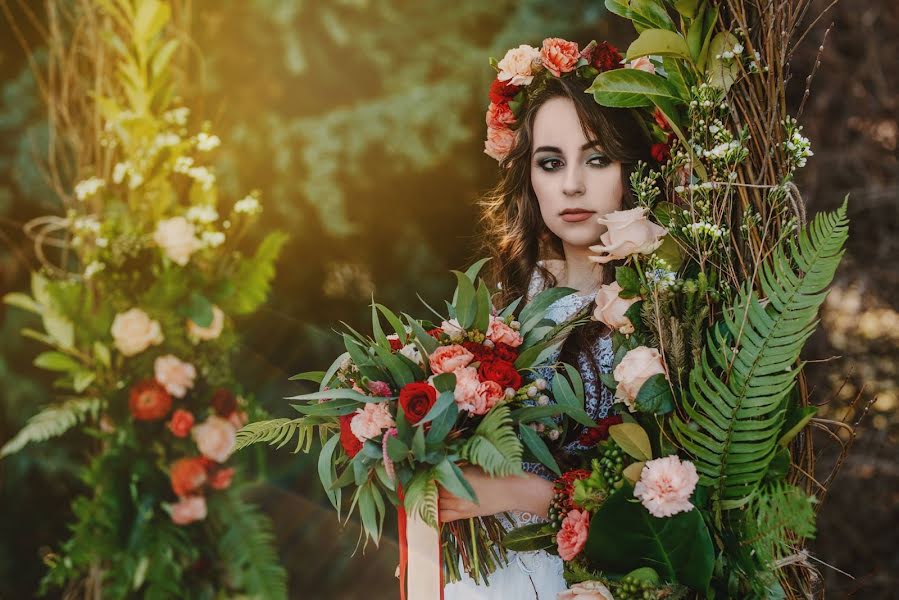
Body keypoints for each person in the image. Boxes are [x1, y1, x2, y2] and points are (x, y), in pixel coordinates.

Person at [440, 40, 653, 599]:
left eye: (598, 158)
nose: (572, 185)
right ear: (529, 177)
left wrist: (517, 492)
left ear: (634, 165)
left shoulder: (663, 315)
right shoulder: (508, 302)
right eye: (551, 162)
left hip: (588, 582)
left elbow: (671, 508)